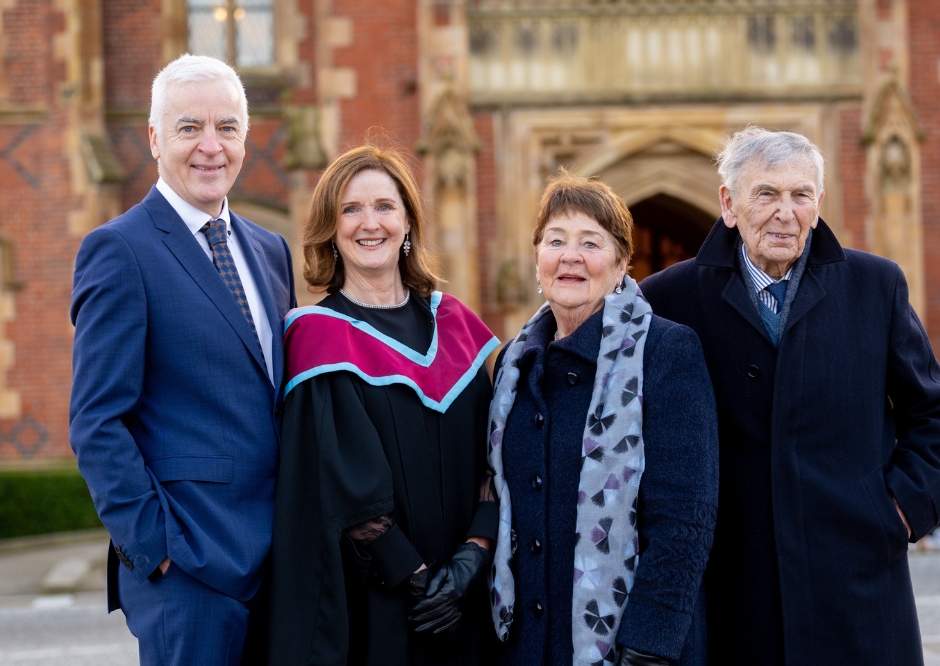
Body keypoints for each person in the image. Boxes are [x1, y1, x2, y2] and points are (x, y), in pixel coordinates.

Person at [639, 127, 940, 665]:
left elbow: (937, 414)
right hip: (729, 589)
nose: (784, 212)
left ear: (819, 204)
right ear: (729, 203)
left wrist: (899, 512)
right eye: (766, 194)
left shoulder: (875, 286)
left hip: (856, 582)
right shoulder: (668, 298)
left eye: (801, 195)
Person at [69, 54, 296, 665]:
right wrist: (157, 548)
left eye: (226, 127)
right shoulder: (120, 250)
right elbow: (96, 422)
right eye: (189, 127)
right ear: (154, 139)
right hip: (188, 575)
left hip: (279, 568)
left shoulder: (270, 251)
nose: (210, 147)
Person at [267, 144, 501, 666]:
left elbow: (497, 454)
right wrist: (418, 580)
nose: (369, 223)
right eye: (350, 209)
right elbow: (338, 477)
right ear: (330, 228)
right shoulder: (316, 337)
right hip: (380, 602)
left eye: (384, 207)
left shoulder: (455, 324)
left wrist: (472, 559)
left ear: (408, 222)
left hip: (471, 595)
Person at [487, 171, 719, 666]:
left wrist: (648, 644)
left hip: (629, 646)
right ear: (537, 262)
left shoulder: (665, 351)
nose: (570, 255)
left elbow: (686, 516)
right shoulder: (513, 364)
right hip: (527, 643)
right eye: (556, 241)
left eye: (590, 242)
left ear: (620, 267)